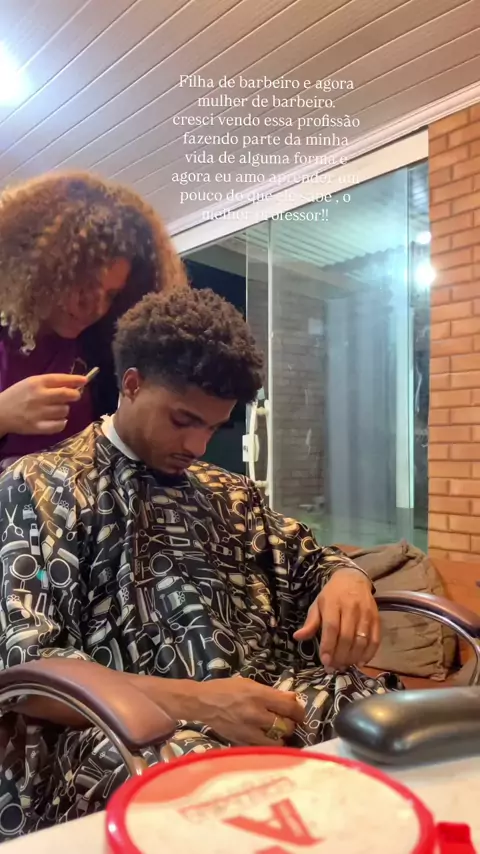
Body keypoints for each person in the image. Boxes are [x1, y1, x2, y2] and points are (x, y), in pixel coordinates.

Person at [0, 287, 402, 837]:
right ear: (132, 384)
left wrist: (348, 580)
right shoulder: (39, 487)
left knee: (380, 716)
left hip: (265, 706)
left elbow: (312, 561)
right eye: (183, 420)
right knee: (196, 777)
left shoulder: (230, 493)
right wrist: (203, 703)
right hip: (123, 734)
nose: (198, 445)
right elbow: (27, 668)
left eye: (213, 427)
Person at [0, 170, 187, 471]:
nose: (94, 307)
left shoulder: (101, 352)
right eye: (81, 286)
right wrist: (4, 414)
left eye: (110, 295)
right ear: (41, 271)